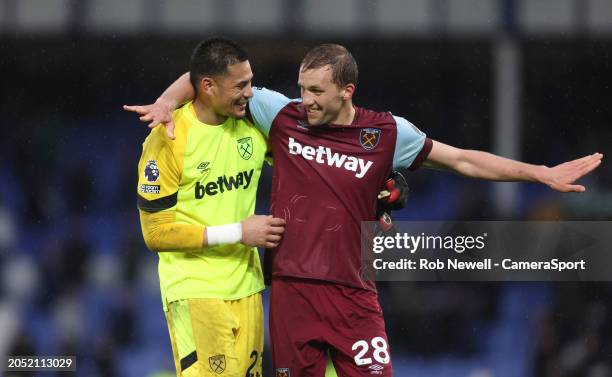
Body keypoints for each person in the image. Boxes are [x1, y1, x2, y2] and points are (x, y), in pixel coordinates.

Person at [127, 42, 603, 377]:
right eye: (301, 88)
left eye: (316, 91)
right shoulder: (282, 114)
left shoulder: (389, 134)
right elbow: (213, 80)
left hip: (355, 295)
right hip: (291, 292)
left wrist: (538, 172)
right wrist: (168, 101)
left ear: (347, 90)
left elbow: (462, 159)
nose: (305, 100)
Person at [129, 38, 286, 377]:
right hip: (195, 288)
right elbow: (155, 234)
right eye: (240, 85)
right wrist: (238, 233)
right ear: (208, 86)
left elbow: (306, 163)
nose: (250, 93)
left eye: (250, 81)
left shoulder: (251, 123)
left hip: (247, 287)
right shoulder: (168, 138)